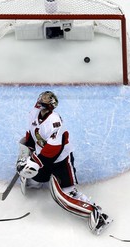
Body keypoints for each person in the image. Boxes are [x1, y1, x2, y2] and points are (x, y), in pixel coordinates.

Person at [16, 90, 112, 235]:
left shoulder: (55, 122)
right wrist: (27, 154)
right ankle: (37, 177)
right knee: (33, 178)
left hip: (60, 161)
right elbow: (30, 135)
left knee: (61, 196)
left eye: (45, 100)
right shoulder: (34, 113)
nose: (41, 101)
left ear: (50, 106)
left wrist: (35, 161)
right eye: (42, 98)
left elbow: (54, 150)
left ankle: (96, 214)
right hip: (43, 157)